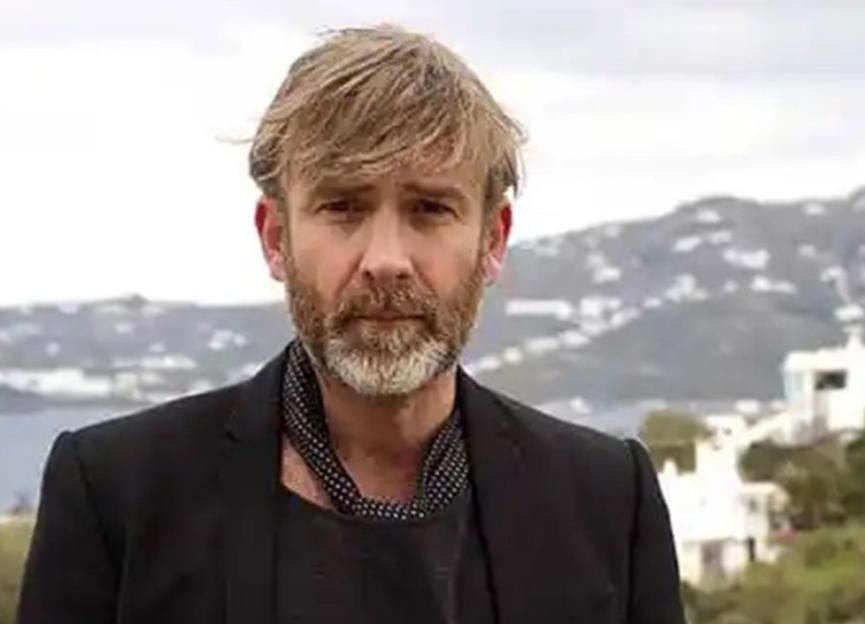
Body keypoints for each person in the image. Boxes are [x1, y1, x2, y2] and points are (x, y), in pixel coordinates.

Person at [17, 25, 685, 624]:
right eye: (342, 206)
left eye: (428, 209)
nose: (385, 261)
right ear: (275, 237)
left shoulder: (603, 500)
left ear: (493, 240)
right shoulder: (119, 496)